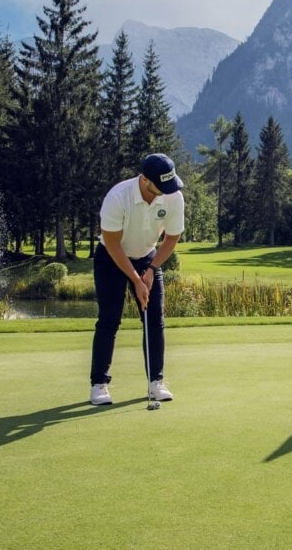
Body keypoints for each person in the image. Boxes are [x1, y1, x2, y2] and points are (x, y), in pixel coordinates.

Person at [89, 153, 185, 405]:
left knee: (155, 319)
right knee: (109, 319)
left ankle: (156, 382)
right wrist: (135, 279)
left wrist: (151, 269)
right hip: (112, 257)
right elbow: (112, 243)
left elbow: (172, 238)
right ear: (144, 180)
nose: (166, 191)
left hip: (147, 257)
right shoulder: (118, 197)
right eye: (160, 186)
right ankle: (99, 384)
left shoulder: (173, 196)